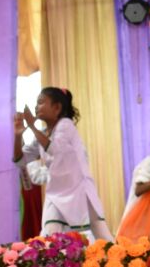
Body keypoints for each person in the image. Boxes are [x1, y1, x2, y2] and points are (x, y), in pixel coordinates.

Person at [13, 87, 113, 241]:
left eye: (41, 102)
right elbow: (20, 160)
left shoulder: (66, 125)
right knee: (49, 236)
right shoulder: (44, 133)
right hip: (56, 194)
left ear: (57, 108)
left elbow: (55, 149)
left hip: (78, 191)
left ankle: (119, 256)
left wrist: (32, 127)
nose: (36, 107)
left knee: (99, 236)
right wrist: (18, 135)